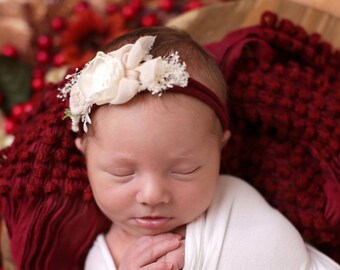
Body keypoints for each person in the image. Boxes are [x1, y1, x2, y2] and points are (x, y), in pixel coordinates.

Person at [57, 26, 340, 270]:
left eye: (184, 170)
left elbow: (283, 256)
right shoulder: (101, 259)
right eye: (121, 173)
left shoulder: (232, 200)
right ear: (85, 156)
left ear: (220, 150)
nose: (153, 195)